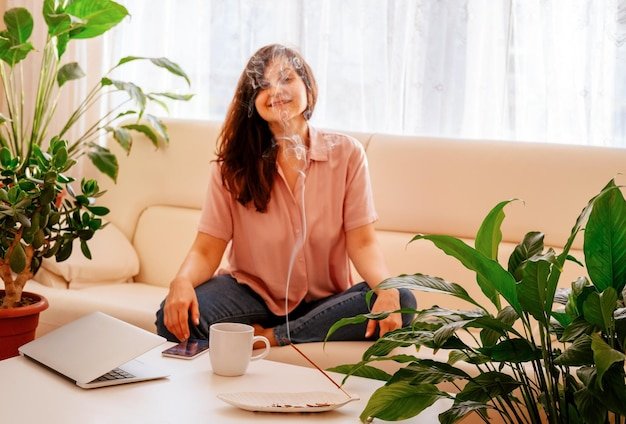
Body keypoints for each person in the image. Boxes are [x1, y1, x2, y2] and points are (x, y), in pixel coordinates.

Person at [155, 44, 415, 346]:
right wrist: (182, 281)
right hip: (251, 296)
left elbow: (363, 242)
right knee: (172, 318)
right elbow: (206, 249)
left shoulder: (346, 154)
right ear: (253, 101)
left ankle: (274, 337)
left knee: (403, 298)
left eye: (286, 78)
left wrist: (386, 290)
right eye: (263, 85)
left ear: (308, 86)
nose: (275, 90)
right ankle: (280, 337)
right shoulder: (232, 167)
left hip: (325, 302)